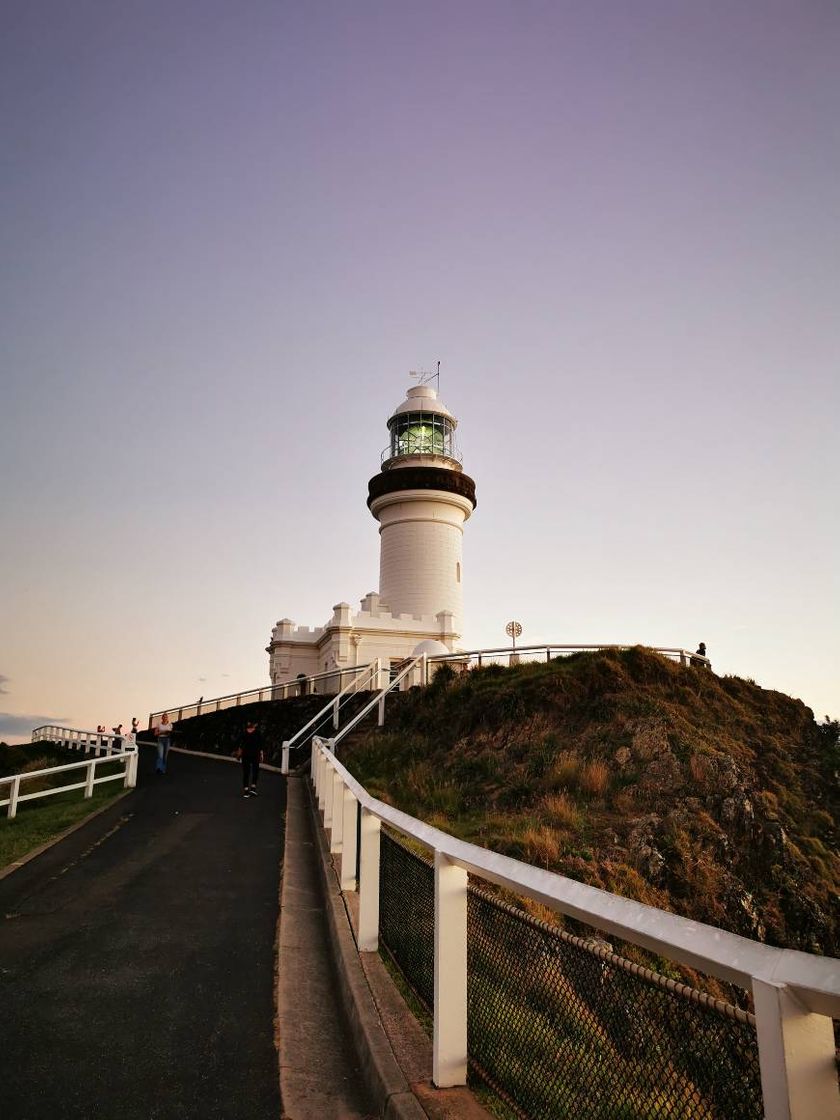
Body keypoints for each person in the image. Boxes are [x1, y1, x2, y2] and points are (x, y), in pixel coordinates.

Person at [239, 719, 264, 798]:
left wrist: (239, 752)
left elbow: (239, 743)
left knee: (246, 772)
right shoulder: (257, 733)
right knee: (255, 771)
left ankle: (246, 791)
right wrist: (261, 754)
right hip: (255, 755)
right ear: (254, 725)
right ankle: (253, 788)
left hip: (245, 755)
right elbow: (261, 744)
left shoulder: (243, 733)